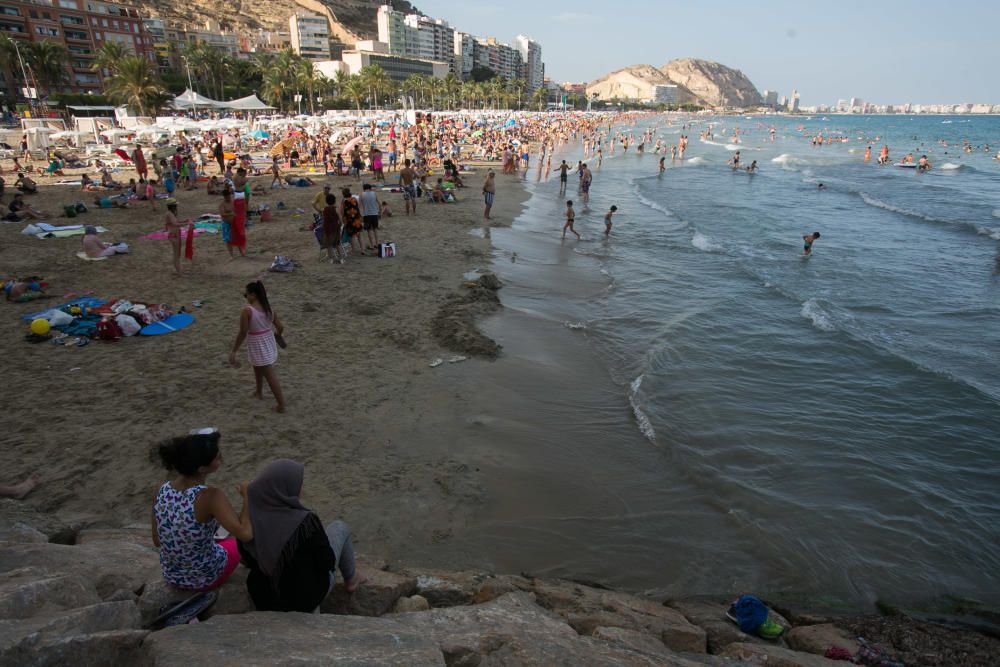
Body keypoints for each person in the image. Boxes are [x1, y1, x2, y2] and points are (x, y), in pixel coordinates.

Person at [237, 459, 366, 612]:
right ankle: (351, 579)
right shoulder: (305, 522)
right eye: (297, 485)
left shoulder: (248, 522)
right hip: (305, 600)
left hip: (265, 599)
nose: (301, 490)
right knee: (339, 527)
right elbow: (328, 562)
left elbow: (247, 560)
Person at [151, 429, 252, 592]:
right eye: (217, 457)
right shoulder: (210, 496)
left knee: (216, 533)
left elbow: (157, 541)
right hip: (203, 578)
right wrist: (248, 496)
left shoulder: (160, 489)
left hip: (171, 576)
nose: (221, 457)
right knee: (236, 543)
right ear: (202, 469)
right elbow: (246, 533)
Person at [229, 281, 286, 413]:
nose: (246, 297)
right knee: (257, 366)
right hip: (267, 340)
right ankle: (258, 392)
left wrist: (234, 350)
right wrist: (278, 335)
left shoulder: (247, 311)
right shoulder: (269, 308)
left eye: (246, 294)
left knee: (269, 374)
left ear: (253, 295)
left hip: (257, 342)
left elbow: (243, 332)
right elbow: (280, 327)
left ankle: (281, 404)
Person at [164, 198, 186, 276]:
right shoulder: (169, 214)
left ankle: (179, 270)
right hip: (173, 236)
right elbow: (174, 224)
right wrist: (185, 224)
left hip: (177, 235)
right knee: (176, 254)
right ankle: (179, 272)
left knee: (178, 254)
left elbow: (177, 221)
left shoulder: (172, 213)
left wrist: (185, 221)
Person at [340, 188, 364, 256]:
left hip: (349, 220)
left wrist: (343, 219)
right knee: (359, 235)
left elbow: (341, 211)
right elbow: (358, 208)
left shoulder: (343, 200)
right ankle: (362, 250)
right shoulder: (354, 199)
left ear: (343, 194)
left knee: (352, 236)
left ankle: (354, 251)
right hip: (357, 219)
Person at [321, 193, 344, 264]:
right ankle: (341, 258)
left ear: (326, 201)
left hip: (328, 229)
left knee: (329, 244)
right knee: (337, 244)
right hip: (335, 228)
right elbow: (340, 220)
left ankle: (333, 258)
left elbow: (324, 220)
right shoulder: (335, 209)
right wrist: (339, 226)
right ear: (334, 201)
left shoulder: (324, 209)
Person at [359, 183, 380, 251]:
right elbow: (379, 203)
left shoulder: (361, 194)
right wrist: (380, 211)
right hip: (374, 213)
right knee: (375, 229)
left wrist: (360, 215)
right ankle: (377, 243)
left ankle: (372, 245)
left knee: (369, 230)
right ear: (370, 188)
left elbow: (360, 206)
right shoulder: (374, 193)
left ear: (364, 188)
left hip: (367, 215)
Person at [219, 188, 236, 258]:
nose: (228, 198)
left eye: (229, 196)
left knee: (237, 238)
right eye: (227, 197)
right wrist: (231, 214)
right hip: (226, 224)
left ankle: (242, 253)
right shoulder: (222, 204)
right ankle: (231, 255)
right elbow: (222, 214)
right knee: (228, 240)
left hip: (234, 223)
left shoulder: (232, 202)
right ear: (224, 197)